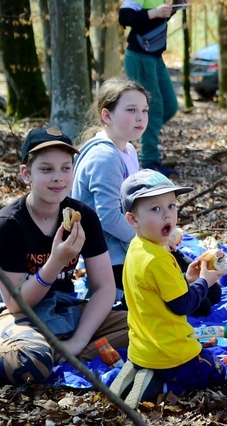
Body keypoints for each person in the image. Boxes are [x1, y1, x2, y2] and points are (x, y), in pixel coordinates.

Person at [0, 127, 127, 384]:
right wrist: (55, 261)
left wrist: (78, 342)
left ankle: (62, 352)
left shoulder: (83, 216)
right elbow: (15, 303)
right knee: (31, 360)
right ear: (26, 174)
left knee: (149, 323)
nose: (58, 178)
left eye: (66, 168)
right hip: (10, 311)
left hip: (62, 305)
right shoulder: (9, 224)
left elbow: (103, 288)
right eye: (46, 169)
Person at [109, 170, 227, 407]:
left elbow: (157, 289)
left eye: (172, 206)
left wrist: (189, 277)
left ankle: (137, 370)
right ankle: (158, 386)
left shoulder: (138, 247)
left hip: (142, 347)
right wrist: (206, 280)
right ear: (133, 219)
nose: (167, 216)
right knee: (214, 372)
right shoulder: (158, 258)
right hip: (171, 353)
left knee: (154, 362)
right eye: (156, 209)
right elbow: (182, 305)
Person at [72, 77, 149, 302]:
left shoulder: (129, 150)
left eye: (144, 110)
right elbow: (108, 217)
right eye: (131, 110)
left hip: (130, 246)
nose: (140, 117)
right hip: (110, 258)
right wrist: (149, 239)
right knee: (192, 297)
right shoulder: (104, 157)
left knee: (201, 288)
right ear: (107, 116)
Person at [119, 0, 181, 179]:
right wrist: (154, 13)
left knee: (169, 106)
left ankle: (144, 137)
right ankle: (148, 162)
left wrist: (169, 11)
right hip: (140, 57)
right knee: (153, 109)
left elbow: (148, 21)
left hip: (155, 57)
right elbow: (125, 17)